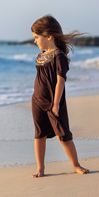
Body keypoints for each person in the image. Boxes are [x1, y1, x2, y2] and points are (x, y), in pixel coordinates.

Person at [30, 14, 89, 178]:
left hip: (54, 103)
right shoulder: (40, 56)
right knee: (39, 134)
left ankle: (76, 165)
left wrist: (56, 104)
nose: (35, 41)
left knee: (63, 135)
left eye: (36, 37)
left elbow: (60, 81)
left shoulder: (59, 56)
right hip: (37, 101)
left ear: (49, 36)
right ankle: (40, 168)